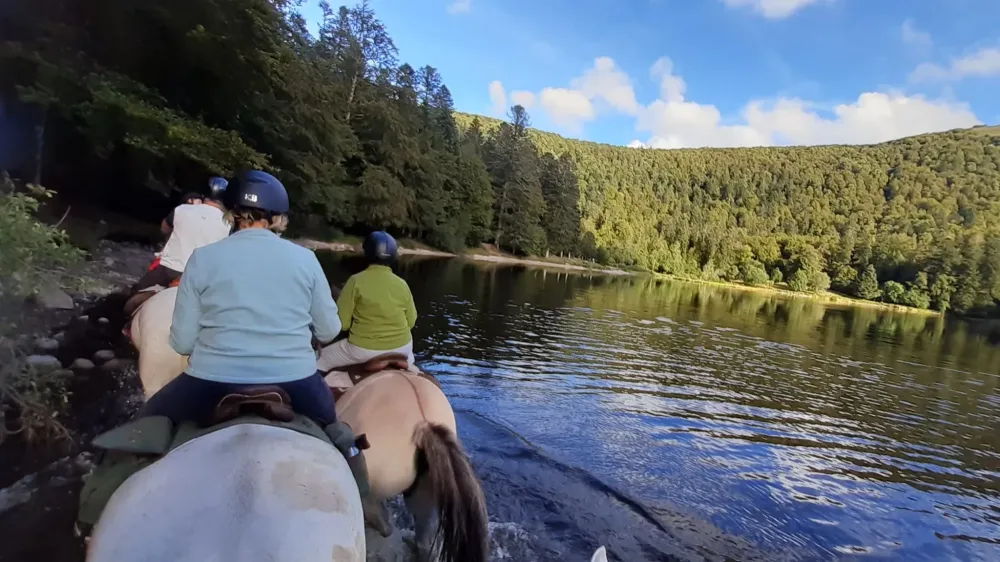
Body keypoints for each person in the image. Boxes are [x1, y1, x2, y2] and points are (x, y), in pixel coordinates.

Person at [139, 170, 342, 426]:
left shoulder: (202, 258)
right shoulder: (306, 259)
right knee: (334, 429)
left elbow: (182, 343)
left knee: (147, 422)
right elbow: (329, 331)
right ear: (279, 218)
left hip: (210, 379)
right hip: (295, 379)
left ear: (230, 213)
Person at [317, 231, 418, 372]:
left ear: (367, 253)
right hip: (403, 349)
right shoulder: (402, 284)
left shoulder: (355, 281)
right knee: (413, 366)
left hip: (363, 350)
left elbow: (343, 324)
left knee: (318, 360)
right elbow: (411, 321)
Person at [131, 177, 230, 295]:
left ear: (203, 193)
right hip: (198, 281)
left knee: (131, 299)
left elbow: (164, 229)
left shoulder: (182, 209)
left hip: (167, 270)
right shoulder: (229, 224)